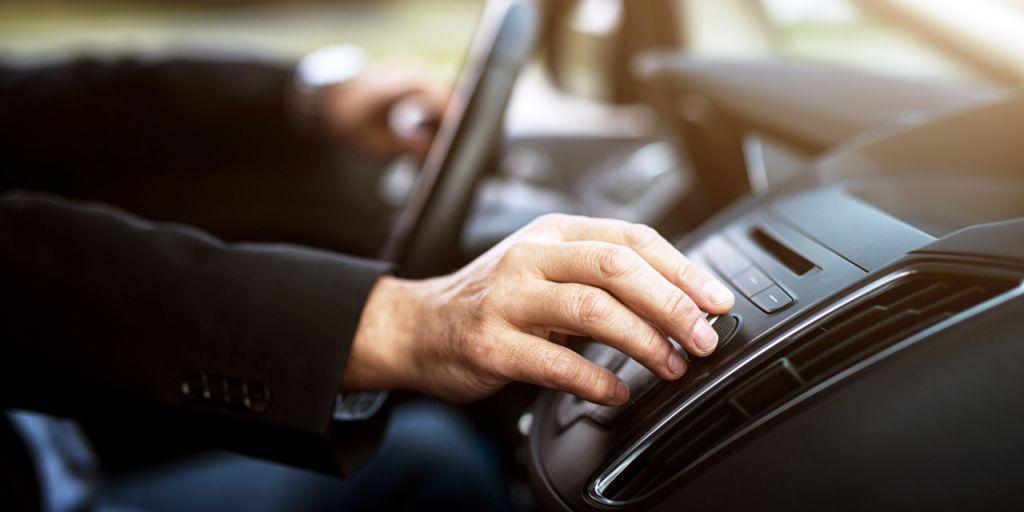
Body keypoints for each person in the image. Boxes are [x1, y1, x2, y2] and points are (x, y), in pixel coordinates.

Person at [0, 41, 734, 512]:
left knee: (429, 452)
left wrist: (305, 100)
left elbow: (63, 97)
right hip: (47, 480)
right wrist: (396, 321)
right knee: (437, 470)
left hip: (59, 440)